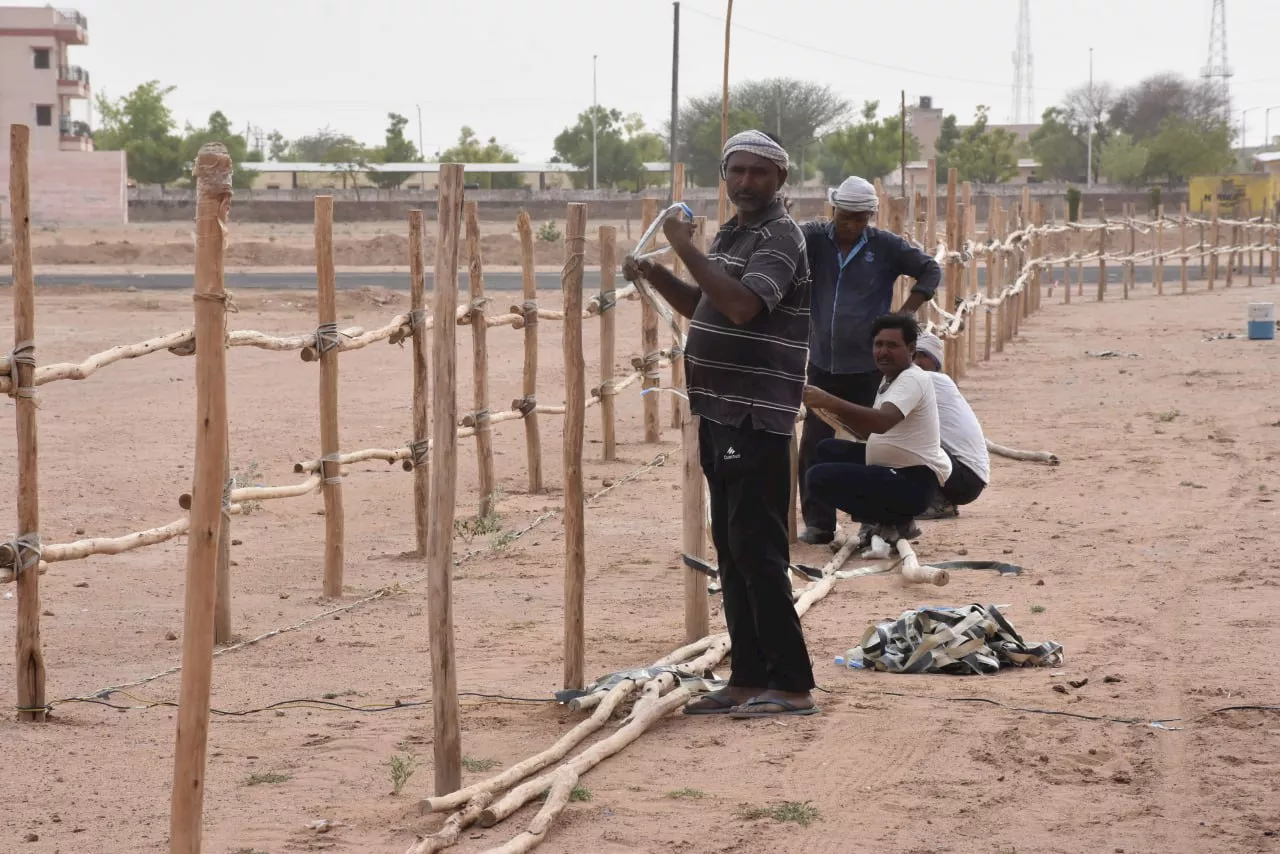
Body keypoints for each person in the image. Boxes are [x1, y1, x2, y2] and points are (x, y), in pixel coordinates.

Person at [622, 129, 818, 719]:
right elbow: (708, 305)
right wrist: (657, 276)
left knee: (757, 548)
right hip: (720, 409)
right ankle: (747, 675)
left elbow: (742, 306)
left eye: (759, 173)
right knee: (731, 548)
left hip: (756, 413)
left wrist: (683, 248)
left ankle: (791, 683)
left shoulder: (781, 238)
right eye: (737, 171)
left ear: (780, 180)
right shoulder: (735, 234)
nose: (745, 182)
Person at [797, 176, 942, 545]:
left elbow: (930, 269)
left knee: (870, 442)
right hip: (824, 361)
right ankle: (819, 524)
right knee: (815, 443)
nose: (852, 225)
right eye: (846, 217)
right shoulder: (813, 238)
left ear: (871, 216)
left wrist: (906, 312)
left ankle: (872, 518)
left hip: (867, 365)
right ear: (834, 211)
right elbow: (784, 244)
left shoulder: (885, 245)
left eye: (861, 218)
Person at [801, 314, 951, 544]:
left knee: (818, 478)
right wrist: (829, 412)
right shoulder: (890, 379)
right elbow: (867, 433)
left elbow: (882, 422)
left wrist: (829, 401)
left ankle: (890, 519)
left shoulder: (912, 379)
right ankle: (887, 519)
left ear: (911, 349)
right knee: (826, 449)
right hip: (894, 469)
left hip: (912, 481)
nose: (883, 352)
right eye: (878, 344)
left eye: (892, 345)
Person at [911, 333, 989, 519]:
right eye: (914, 356)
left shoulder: (932, 381)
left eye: (923, 355)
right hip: (965, 477)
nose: (917, 361)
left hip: (966, 479)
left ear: (935, 362)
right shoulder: (925, 382)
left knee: (911, 443)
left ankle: (937, 503)